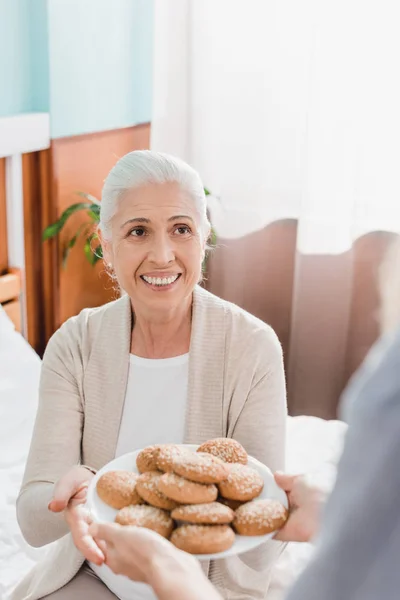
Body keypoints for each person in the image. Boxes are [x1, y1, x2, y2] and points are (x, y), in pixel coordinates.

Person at [12, 151, 287, 600]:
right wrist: (74, 494)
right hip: (95, 574)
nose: (162, 255)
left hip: (206, 587)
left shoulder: (253, 346)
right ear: (106, 243)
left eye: (181, 229)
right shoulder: (74, 345)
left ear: (204, 238)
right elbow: (31, 521)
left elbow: (260, 550)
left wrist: (275, 509)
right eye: (138, 231)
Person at [86, 240, 400, 600]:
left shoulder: (387, 398)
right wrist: (337, 514)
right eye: (139, 232)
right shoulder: (82, 342)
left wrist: (167, 571)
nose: (162, 254)